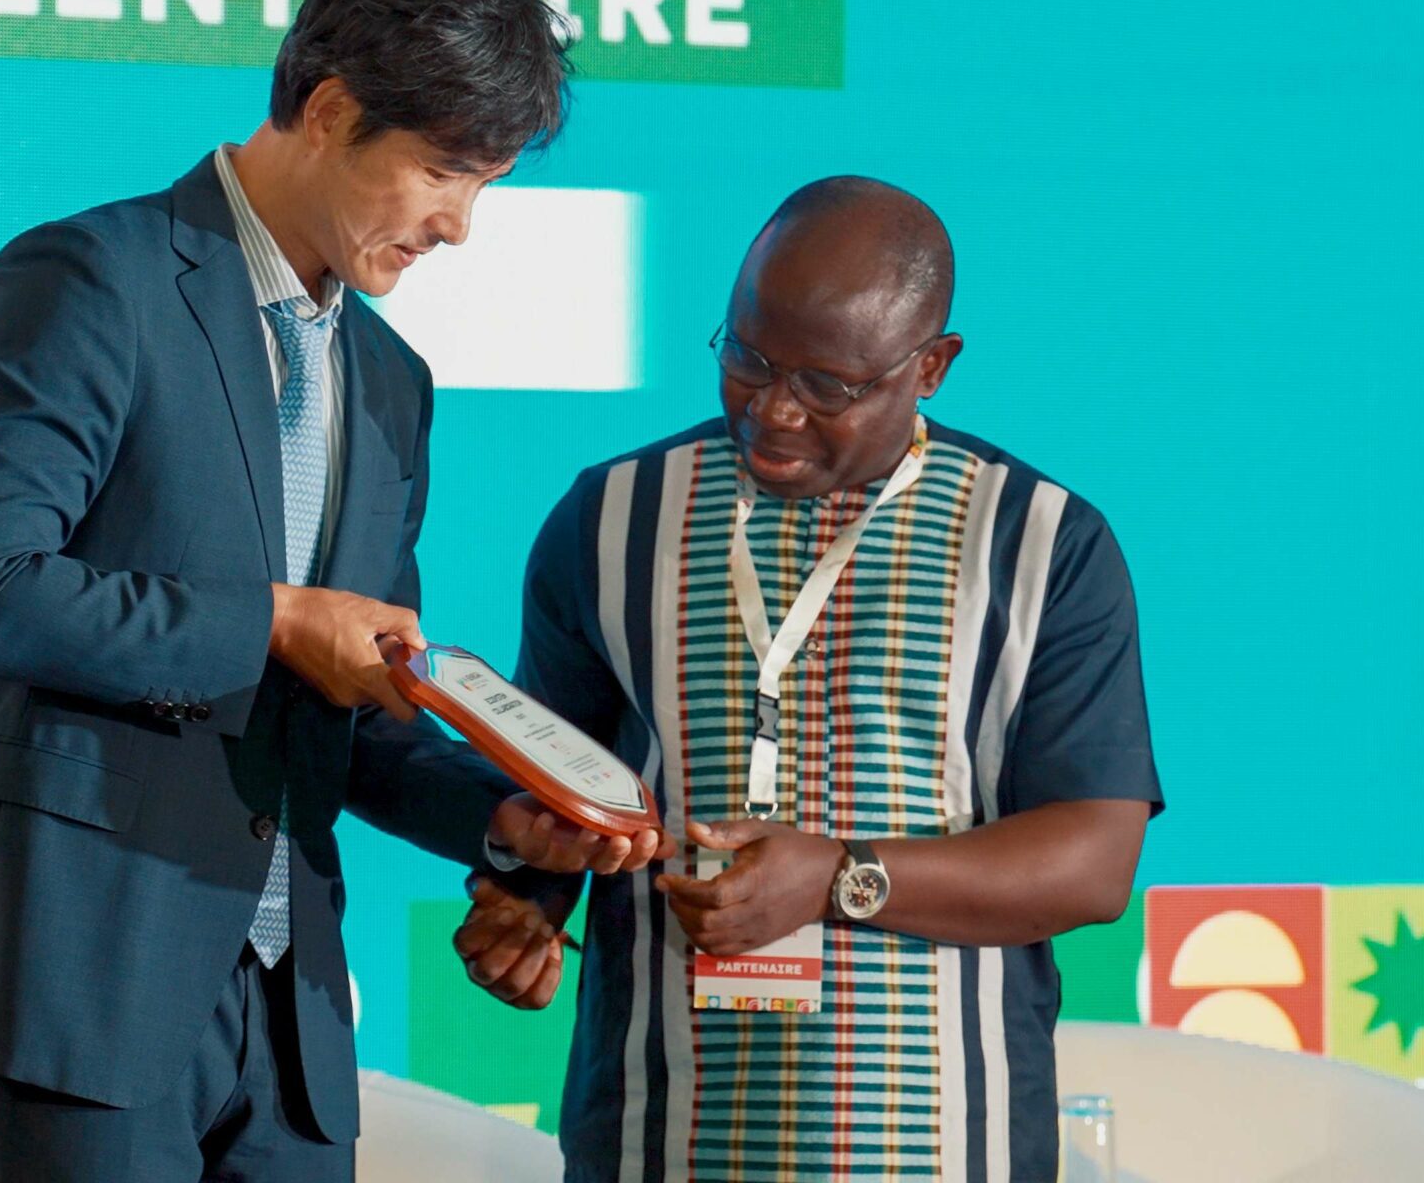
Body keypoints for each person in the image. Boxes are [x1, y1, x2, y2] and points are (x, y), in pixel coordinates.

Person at [0, 0, 659, 1182]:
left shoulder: (391, 381)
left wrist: (504, 825)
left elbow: (356, 705)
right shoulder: (89, 279)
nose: (458, 226)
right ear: (330, 110)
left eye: (485, 186)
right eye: (442, 171)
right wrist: (274, 620)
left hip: (290, 1027)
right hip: (73, 986)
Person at [454, 177, 1163, 1183]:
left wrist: (837, 879)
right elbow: (558, 785)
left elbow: (1092, 861)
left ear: (930, 367)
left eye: (828, 385)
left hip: (945, 1147)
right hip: (656, 1136)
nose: (774, 410)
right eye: (747, 359)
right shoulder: (610, 519)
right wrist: (526, 903)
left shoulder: (1041, 544)